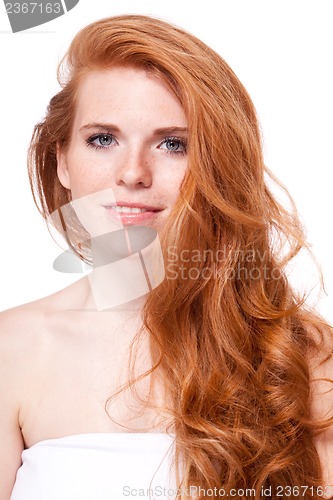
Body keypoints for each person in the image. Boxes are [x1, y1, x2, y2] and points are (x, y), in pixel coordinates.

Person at [0, 13, 332, 500]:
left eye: (173, 144)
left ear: (217, 167)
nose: (133, 173)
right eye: (102, 139)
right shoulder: (11, 350)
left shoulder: (305, 356)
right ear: (62, 163)